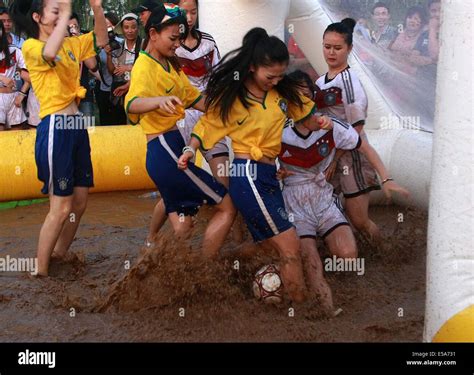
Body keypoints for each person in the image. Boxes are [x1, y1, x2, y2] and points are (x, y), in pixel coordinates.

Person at [178, 28, 334, 303]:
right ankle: (301, 308)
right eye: (269, 76)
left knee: (266, 245)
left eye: (280, 76)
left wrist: (321, 122)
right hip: (247, 174)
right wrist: (190, 149)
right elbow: (207, 126)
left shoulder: (280, 96)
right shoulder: (235, 99)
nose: (275, 81)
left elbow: (307, 117)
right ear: (252, 67)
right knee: (289, 245)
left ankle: (218, 266)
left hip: (269, 176)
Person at [280, 70, 410, 314]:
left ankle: (324, 244)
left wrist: (387, 179)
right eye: (296, 99)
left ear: (314, 98)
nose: (304, 105)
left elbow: (365, 148)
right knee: (311, 262)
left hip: (323, 198)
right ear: (287, 103)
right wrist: (278, 172)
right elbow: (263, 162)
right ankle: (325, 307)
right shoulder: (278, 130)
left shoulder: (332, 126)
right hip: (294, 203)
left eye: (307, 97)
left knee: (348, 257)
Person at [124, 4, 236, 259]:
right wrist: (157, 101)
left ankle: (155, 265)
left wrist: (232, 106)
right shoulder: (144, 65)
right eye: (173, 38)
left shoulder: (171, 67)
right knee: (227, 206)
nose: (177, 44)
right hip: (166, 151)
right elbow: (131, 103)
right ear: (153, 34)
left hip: (169, 150)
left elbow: (197, 100)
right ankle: (205, 269)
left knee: (184, 227)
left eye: (179, 38)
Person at [11, 0, 108, 276]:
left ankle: (58, 256)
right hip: (55, 127)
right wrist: (65, 13)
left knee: (79, 202)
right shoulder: (31, 47)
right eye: (53, 10)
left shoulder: (71, 44)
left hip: (76, 126)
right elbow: (49, 52)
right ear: (37, 17)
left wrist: (98, 9)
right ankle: (40, 272)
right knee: (61, 205)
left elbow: (100, 40)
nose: (60, 13)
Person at [316, 19, 410, 243]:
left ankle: (385, 252)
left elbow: (356, 129)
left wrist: (337, 159)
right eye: (327, 46)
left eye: (337, 48)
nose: (331, 52)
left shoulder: (349, 82)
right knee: (321, 205)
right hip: (330, 154)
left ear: (349, 49)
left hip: (352, 157)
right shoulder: (320, 81)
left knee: (358, 219)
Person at [106, 12, 141, 124]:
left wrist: (129, 67)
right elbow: (112, 71)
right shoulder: (117, 48)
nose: (130, 31)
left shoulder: (145, 46)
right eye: (126, 27)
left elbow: (150, 67)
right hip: (120, 92)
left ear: (138, 28)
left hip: (139, 91)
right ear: (122, 29)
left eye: (133, 27)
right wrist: (108, 54)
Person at [68, 12, 98, 118]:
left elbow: (93, 66)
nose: (72, 30)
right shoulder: (60, 45)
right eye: (69, 28)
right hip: (66, 98)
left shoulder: (84, 40)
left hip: (84, 95)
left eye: (75, 26)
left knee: (88, 131)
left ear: (79, 27)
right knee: (69, 131)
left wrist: (80, 43)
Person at [95, 11, 123, 125]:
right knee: (105, 122)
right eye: (104, 26)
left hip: (120, 88)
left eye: (110, 26)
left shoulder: (122, 43)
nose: (108, 29)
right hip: (104, 88)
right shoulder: (97, 45)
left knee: (120, 120)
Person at [0, 20, 28, 131]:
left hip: (14, 98)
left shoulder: (15, 51)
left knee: (17, 137)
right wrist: (2, 78)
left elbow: (30, 74)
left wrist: (21, 94)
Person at [389, 6, 428, 76]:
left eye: (416, 19)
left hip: (410, 77)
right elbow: (389, 47)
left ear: (422, 22)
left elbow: (417, 59)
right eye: (410, 17)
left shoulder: (423, 36)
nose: (412, 21)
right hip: (392, 71)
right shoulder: (399, 31)